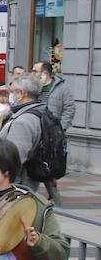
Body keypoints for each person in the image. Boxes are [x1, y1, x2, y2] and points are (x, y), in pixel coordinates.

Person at [0, 73, 48, 192]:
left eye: (13, 91)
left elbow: (15, 157)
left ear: (22, 93)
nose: (11, 95)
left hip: (18, 184)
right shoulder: (38, 111)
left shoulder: (23, 122)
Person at [33, 61, 74, 202]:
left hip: (51, 134)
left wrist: (60, 129)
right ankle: (33, 197)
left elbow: (69, 109)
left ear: (45, 73)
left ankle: (55, 199)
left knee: (49, 165)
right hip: (36, 130)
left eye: (35, 71)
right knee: (33, 164)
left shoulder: (61, 88)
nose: (33, 73)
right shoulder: (35, 87)